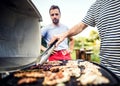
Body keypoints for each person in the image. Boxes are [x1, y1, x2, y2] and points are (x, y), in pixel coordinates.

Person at [49, 0, 120, 79]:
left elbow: (72, 40)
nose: (54, 16)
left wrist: (70, 49)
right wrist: (63, 35)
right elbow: (81, 25)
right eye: (52, 14)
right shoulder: (97, 5)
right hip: (106, 69)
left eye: (56, 14)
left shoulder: (64, 26)